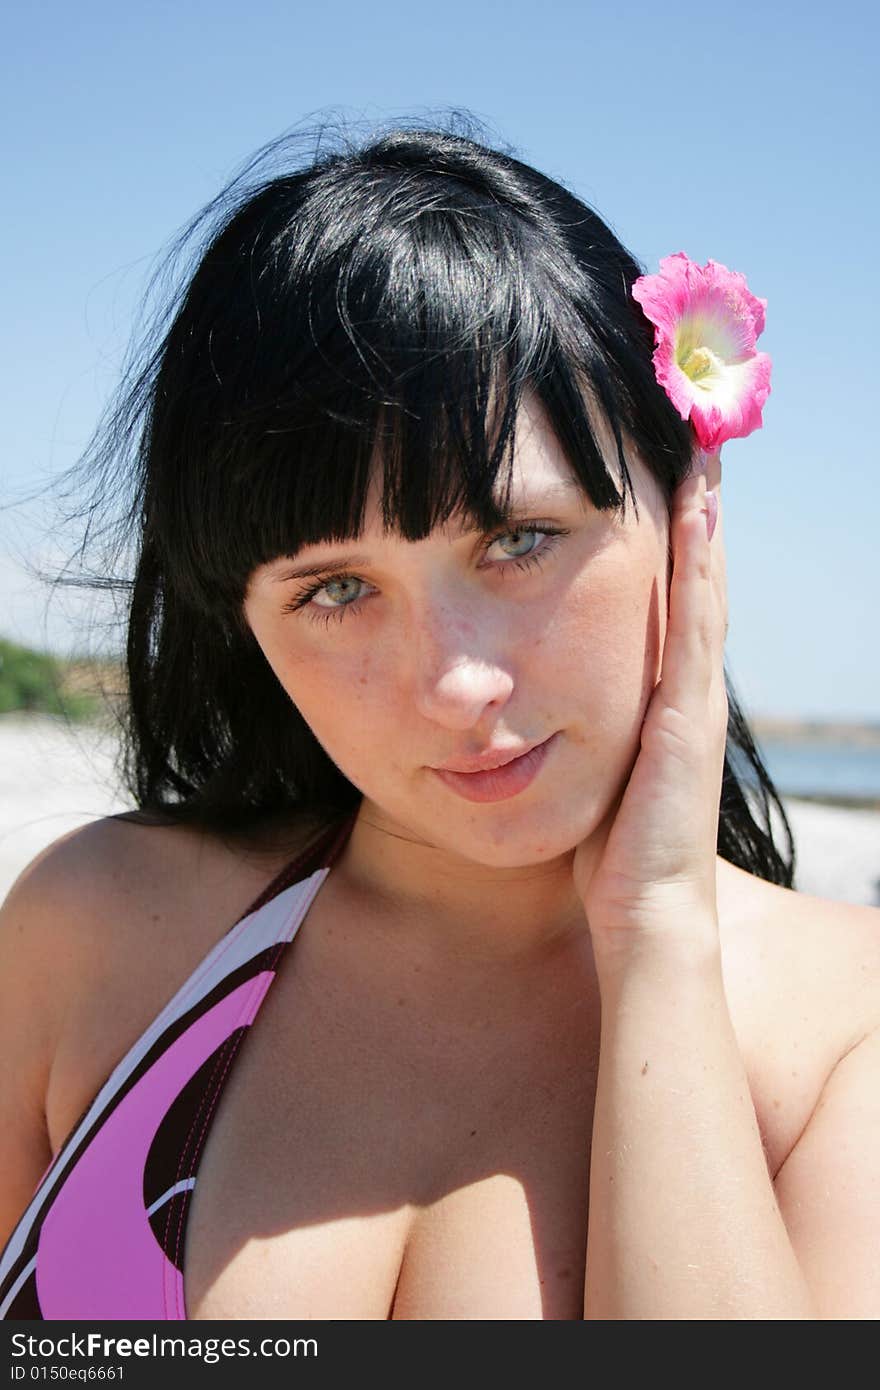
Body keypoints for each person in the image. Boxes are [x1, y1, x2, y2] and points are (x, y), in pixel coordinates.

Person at [1, 120, 878, 1322]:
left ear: (687, 512)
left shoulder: (848, 1037)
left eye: (518, 540)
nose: (457, 685)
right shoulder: (97, 934)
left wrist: (661, 932)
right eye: (337, 590)